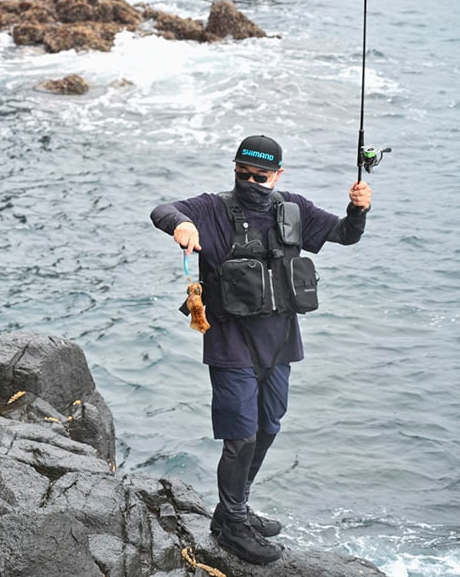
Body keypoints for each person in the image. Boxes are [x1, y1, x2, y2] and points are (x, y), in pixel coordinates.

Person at [150, 135, 372, 564]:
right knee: (240, 436)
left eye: (260, 175)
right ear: (235, 169)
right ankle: (231, 524)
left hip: (281, 342)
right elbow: (162, 210)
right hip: (231, 343)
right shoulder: (212, 209)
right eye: (243, 173)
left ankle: (236, 506)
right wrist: (180, 224)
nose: (251, 181)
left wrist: (357, 209)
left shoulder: (294, 208)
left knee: (269, 425)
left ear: (277, 175)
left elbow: (344, 235)